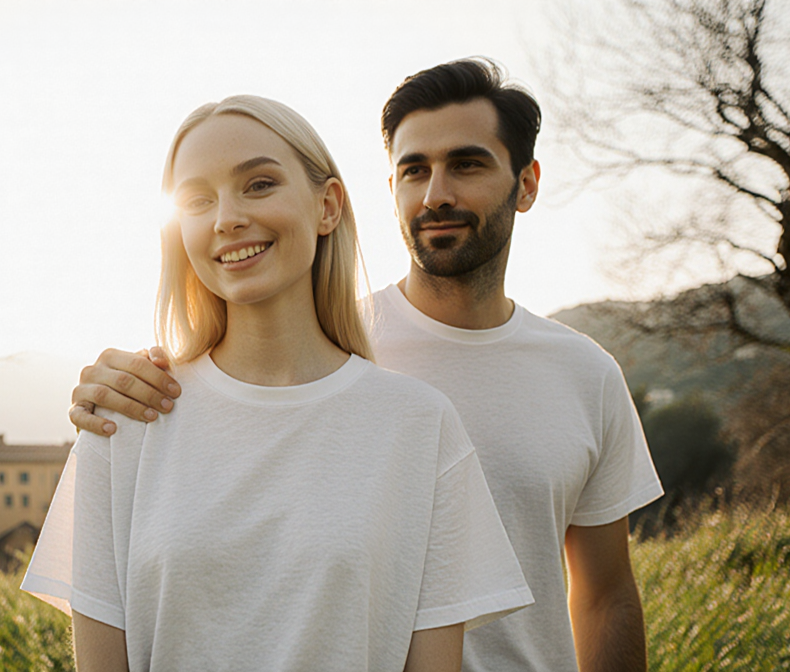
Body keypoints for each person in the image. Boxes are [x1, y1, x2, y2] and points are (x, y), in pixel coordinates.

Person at [68, 60, 665, 672]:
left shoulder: (573, 376)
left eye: (466, 164)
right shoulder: (162, 402)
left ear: (527, 183)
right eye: (414, 170)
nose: (436, 194)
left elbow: (606, 593)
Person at [23, 94, 533, 671]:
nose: (227, 218)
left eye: (259, 184)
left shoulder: (419, 425)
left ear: (328, 206)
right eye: (197, 199)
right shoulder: (126, 420)